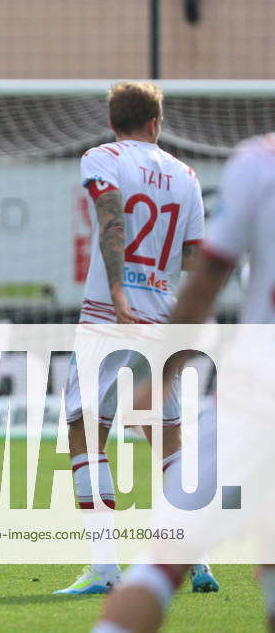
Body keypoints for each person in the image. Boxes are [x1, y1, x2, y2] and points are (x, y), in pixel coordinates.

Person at [93, 133, 275, 632]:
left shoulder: (259, 163)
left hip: (260, 390)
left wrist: (162, 373)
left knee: (161, 561)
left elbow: (206, 279)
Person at [55, 82, 218, 594]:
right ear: (155, 123)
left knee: (84, 431)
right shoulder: (186, 176)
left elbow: (111, 220)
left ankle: (104, 568)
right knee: (168, 439)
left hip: (111, 317)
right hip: (164, 321)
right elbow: (194, 259)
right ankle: (198, 558)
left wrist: (122, 294)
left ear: (113, 121)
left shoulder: (102, 158)